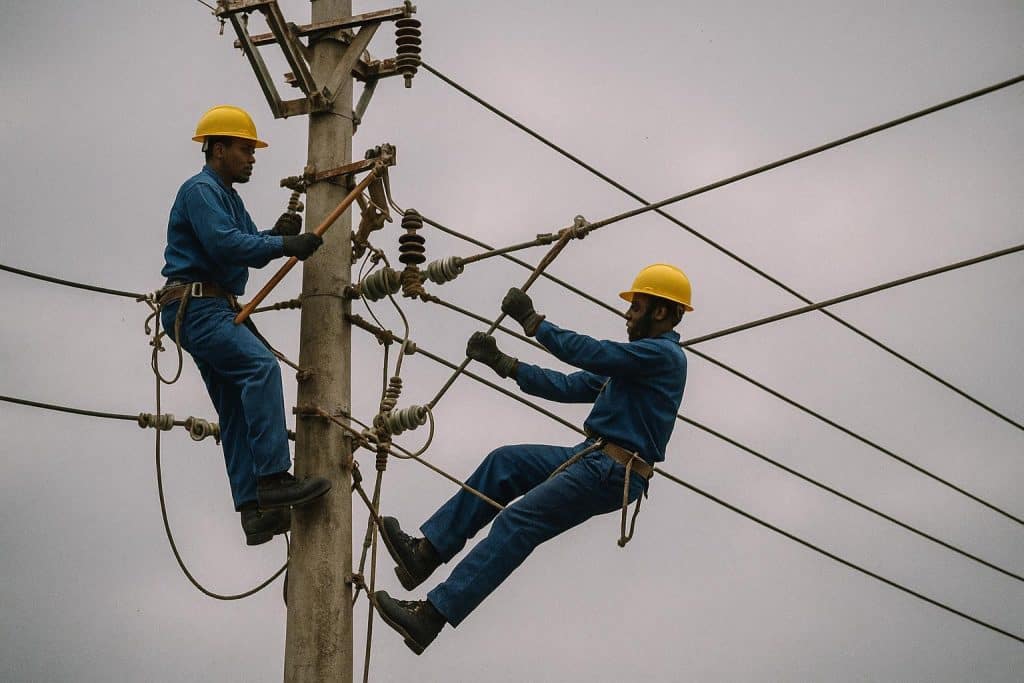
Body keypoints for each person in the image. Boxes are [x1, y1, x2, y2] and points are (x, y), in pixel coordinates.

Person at [373, 263, 693, 654]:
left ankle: (430, 616)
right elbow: (569, 385)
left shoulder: (663, 356)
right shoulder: (635, 364)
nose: (627, 314)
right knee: (505, 462)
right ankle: (426, 553)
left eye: (636, 306)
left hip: (613, 470)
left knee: (519, 521)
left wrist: (533, 322)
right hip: (591, 457)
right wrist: (505, 364)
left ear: (661, 312)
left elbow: (591, 354)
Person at [158, 105, 331, 546]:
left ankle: (253, 511)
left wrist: (277, 234)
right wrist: (282, 242)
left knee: (235, 405)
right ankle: (273, 480)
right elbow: (227, 244)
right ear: (218, 150)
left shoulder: (227, 197)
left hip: (206, 306)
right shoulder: (200, 190)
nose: (252, 157)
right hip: (198, 307)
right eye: (244, 149)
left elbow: (248, 247)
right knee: (260, 368)